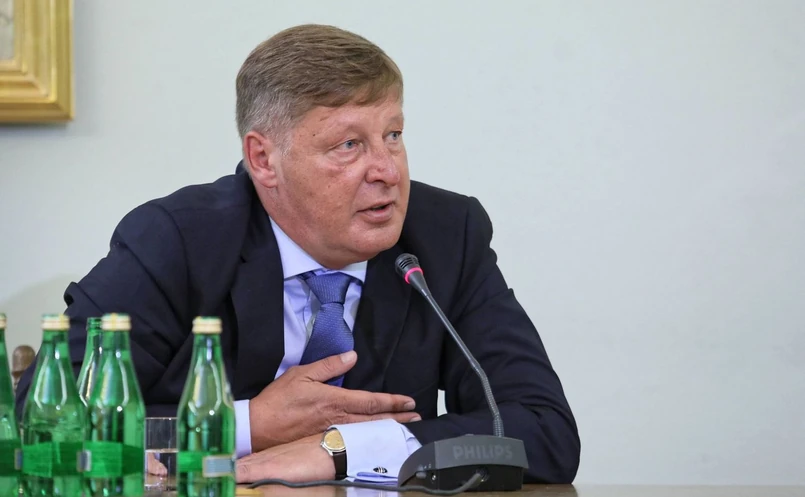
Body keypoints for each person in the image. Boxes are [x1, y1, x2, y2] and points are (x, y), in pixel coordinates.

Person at [15, 24, 580, 484]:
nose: (387, 171)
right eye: (349, 144)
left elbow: (546, 431)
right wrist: (247, 425)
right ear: (264, 160)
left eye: (393, 135)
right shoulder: (177, 240)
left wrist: (343, 449)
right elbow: (40, 425)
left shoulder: (446, 236)